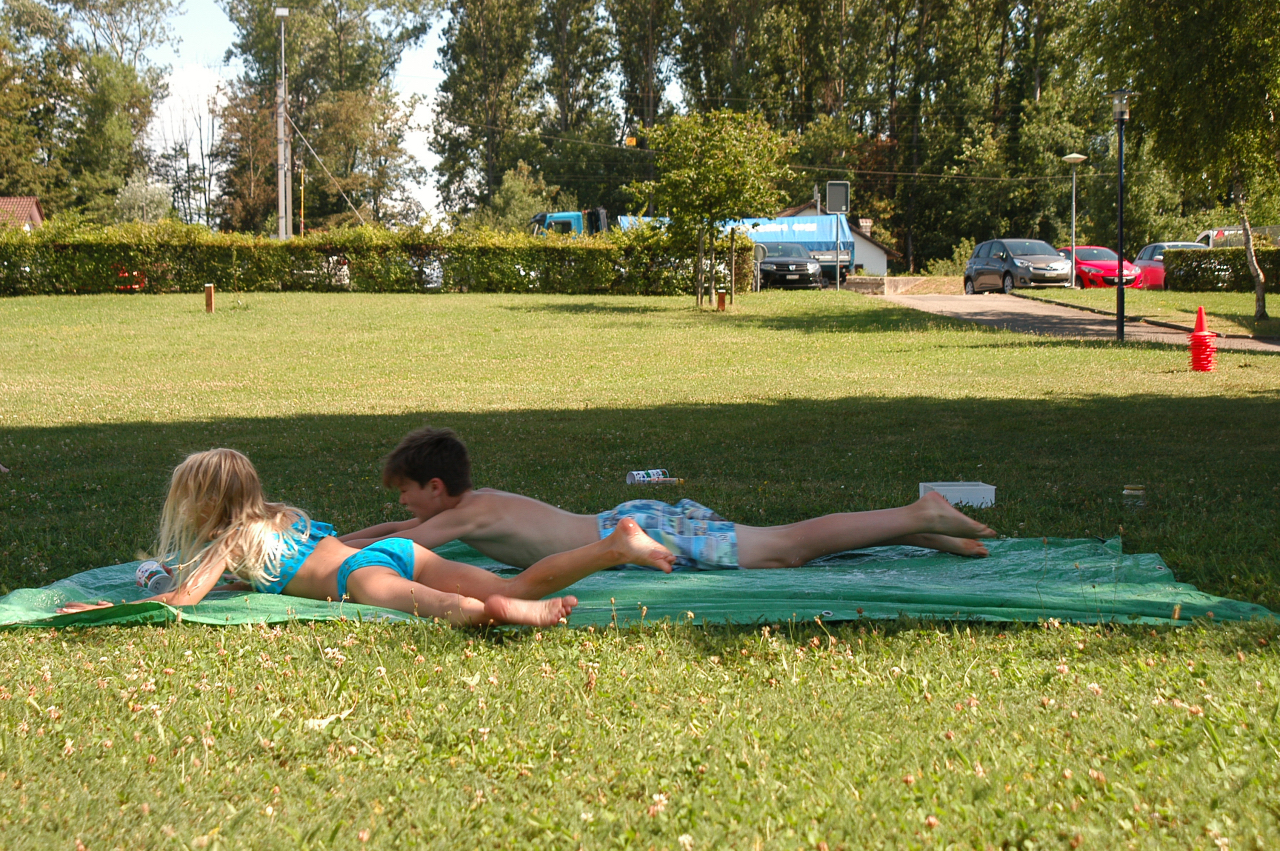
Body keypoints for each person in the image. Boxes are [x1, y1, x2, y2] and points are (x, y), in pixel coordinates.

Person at [57, 448, 676, 626]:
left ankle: (506, 613)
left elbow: (181, 600)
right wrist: (401, 528)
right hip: (388, 554)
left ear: (205, 506)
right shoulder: (282, 516)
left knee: (447, 608)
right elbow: (348, 538)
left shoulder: (229, 544)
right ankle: (614, 544)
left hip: (359, 577)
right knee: (500, 585)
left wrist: (103, 610)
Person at [340, 426, 997, 571]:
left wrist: (330, 550)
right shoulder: (472, 502)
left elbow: (403, 545)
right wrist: (343, 535)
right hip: (638, 521)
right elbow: (394, 531)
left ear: (435, 487)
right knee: (785, 544)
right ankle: (919, 532)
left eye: (406, 495)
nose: (403, 507)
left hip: (647, 531)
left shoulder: (468, 515)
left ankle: (919, 512)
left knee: (788, 547)